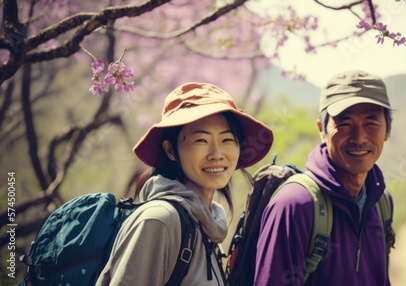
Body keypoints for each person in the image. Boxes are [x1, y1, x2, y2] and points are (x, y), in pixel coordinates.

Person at [96, 82, 273, 286]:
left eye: (227, 140)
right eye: (201, 141)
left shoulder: (208, 226)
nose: (217, 154)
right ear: (171, 150)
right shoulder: (159, 220)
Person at [254, 70, 395, 285]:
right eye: (345, 123)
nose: (359, 137)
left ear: (388, 129)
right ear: (322, 129)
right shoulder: (295, 204)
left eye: (371, 122)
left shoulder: (381, 202)